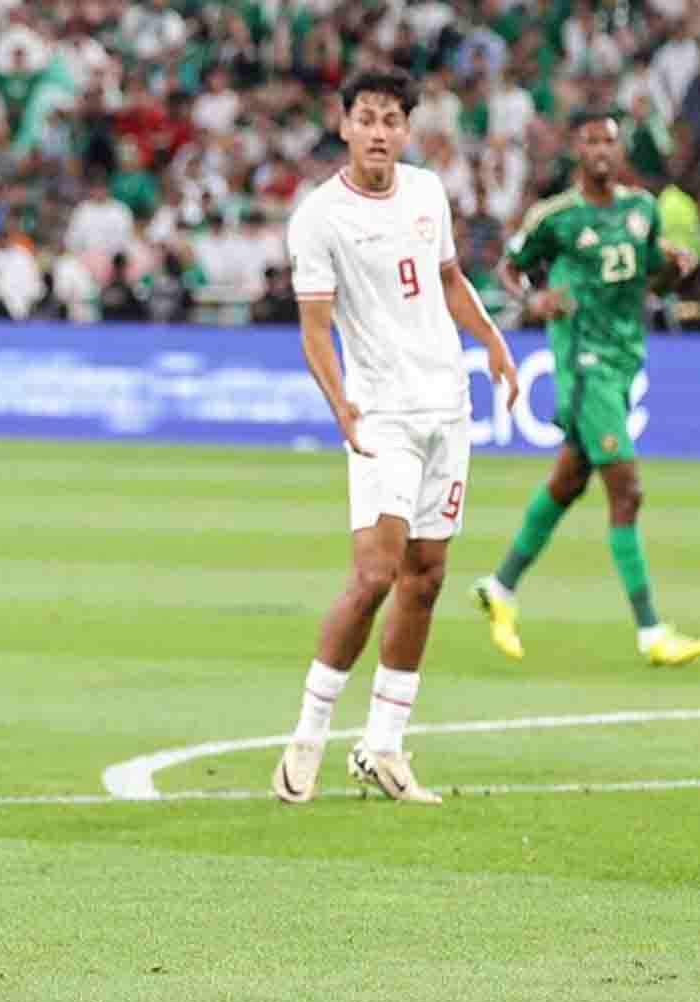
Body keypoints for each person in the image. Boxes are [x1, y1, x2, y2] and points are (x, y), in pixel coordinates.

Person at [270, 69, 520, 805]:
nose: (379, 132)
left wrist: (494, 341)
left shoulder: (426, 193)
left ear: (407, 130)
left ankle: (381, 746)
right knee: (375, 573)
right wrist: (340, 403)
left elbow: (448, 281)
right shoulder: (319, 218)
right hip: (383, 415)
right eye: (367, 117)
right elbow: (315, 327)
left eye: (392, 120)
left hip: (448, 406)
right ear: (344, 124)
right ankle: (309, 734)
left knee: (427, 576)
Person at [472, 109, 700, 666]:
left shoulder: (642, 210)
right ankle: (651, 632)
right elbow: (510, 268)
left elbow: (654, 276)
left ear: (619, 152)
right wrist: (535, 301)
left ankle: (500, 587)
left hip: (624, 362)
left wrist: (677, 267)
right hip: (583, 366)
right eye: (591, 140)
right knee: (628, 489)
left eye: (610, 141)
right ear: (576, 149)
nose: (601, 149)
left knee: (569, 482)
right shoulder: (557, 218)